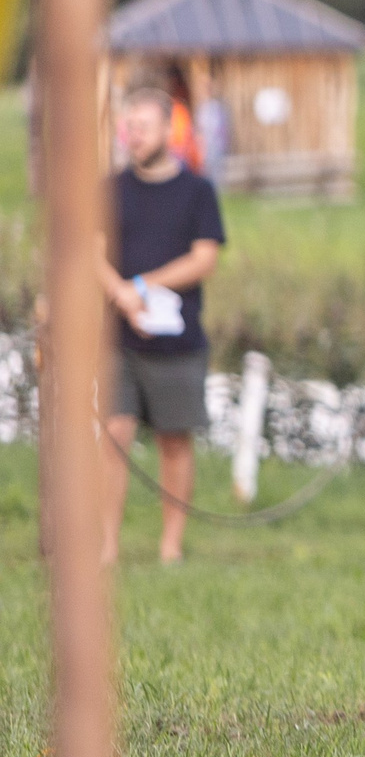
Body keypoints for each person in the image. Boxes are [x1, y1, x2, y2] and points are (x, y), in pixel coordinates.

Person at [95, 84, 227, 564]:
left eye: (143, 127)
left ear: (168, 131)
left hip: (179, 340)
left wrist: (143, 288)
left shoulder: (198, 191)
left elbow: (204, 259)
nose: (134, 136)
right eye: (129, 127)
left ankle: (170, 545)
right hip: (118, 338)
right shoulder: (109, 190)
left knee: (175, 440)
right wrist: (122, 298)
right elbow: (92, 253)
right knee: (115, 433)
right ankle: (107, 546)